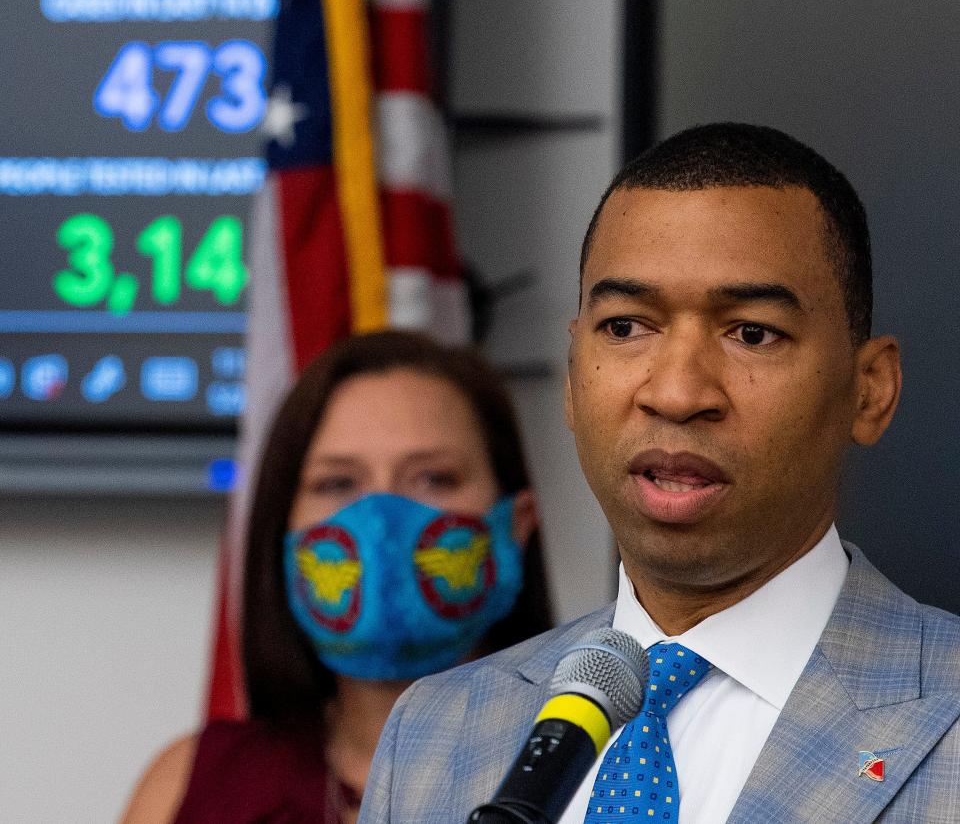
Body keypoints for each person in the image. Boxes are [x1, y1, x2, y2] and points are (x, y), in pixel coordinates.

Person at [359, 123, 960, 824]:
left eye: (752, 333)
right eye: (624, 326)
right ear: (572, 379)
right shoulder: (435, 729)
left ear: (870, 388)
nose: (676, 393)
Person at [120, 330, 552, 824]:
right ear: (284, 533)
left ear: (515, 526)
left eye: (433, 478)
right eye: (339, 483)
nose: (381, 522)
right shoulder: (187, 787)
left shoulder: (613, 771)